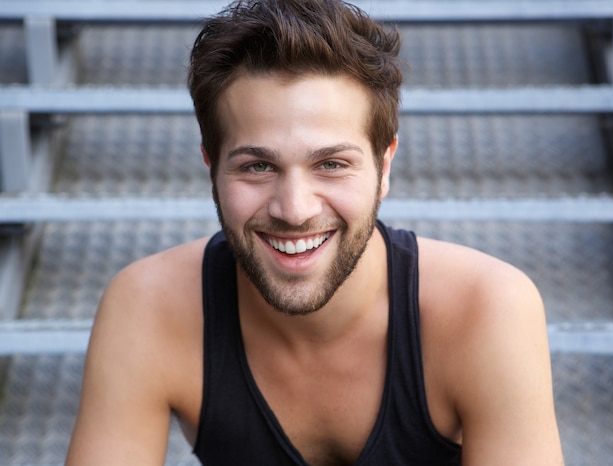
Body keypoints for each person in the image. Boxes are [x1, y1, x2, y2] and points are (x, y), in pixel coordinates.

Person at [66, 0, 564, 464]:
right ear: (211, 166)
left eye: (330, 163)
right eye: (258, 166)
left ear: (384, 165)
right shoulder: (146, 306)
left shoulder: (488, 307)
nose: (295, 210)